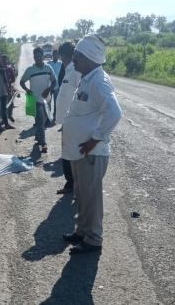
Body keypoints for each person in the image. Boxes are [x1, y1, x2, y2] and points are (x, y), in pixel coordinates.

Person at [62, 35, 122, 254]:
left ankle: (93, 239)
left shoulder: (99, 81)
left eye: (77, 56)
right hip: (81, 152)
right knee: (82, 194)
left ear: (88, 57)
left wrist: (95, 139)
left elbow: (115, 113)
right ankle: (81, 232)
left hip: (91, 152)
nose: (74, 60)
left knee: (92, 197)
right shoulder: (88, 77)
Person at [55, 42, 81, 195]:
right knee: (68, 151)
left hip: (72, 119)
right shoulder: (67, 69)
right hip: (67, 120)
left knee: (69, 152)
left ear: (63, 55)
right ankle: (72, 183)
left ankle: (72, 184)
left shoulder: (75, 70)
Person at [20, 47, 56, 153]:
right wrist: (27, 89)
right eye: (36, 56)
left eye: (39, 56)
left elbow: (54, 82)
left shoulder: (49, 68)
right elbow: (22, 82)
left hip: (47, 100)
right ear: (34, 57)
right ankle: (43, 143)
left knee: (44, 121)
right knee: (40, 122)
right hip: (35, 100)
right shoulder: (30, 70)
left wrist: (48, 89)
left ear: (43, 56)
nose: (37, 58)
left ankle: (38, 138)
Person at [47, 49, 63, 123]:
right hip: (49, 87)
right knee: (48, 102)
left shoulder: (61, 64)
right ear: (52, 55)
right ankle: (48, 117)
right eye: (54, 55)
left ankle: (55, 117)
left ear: (58, 55)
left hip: (57, 87)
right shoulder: (48, 64)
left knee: (57, 103)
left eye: (56, 54)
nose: (55, 56)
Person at [1, 54, 17, 123]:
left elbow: (13, 79)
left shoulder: (10, 68)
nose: (4, 61)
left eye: (5, 59)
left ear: (7, 60)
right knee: (3, 104)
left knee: (10, 102)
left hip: (9, 88)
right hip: (1, 89)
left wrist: (9, 82)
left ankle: (10, 115)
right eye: (3, 60)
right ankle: (3, 118)